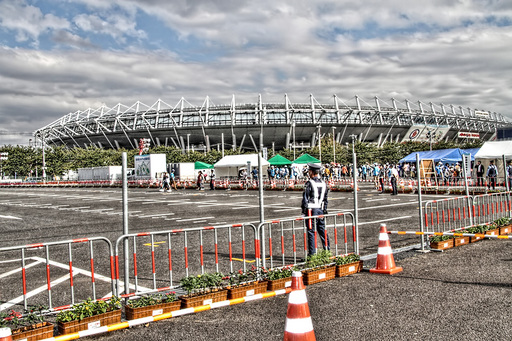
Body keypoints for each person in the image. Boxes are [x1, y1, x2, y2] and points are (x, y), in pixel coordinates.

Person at [301, 163, 329, 256]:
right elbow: (325, 199)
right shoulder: (324, 183)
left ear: (312, 172)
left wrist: (303, 211)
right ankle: (327, 251)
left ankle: (312, 254)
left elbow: (305, 198)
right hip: (320, 209)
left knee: (311, 232)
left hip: (311, 210)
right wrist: (324, 209)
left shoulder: (310, 183)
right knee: (322, 230)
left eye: (309, 171)